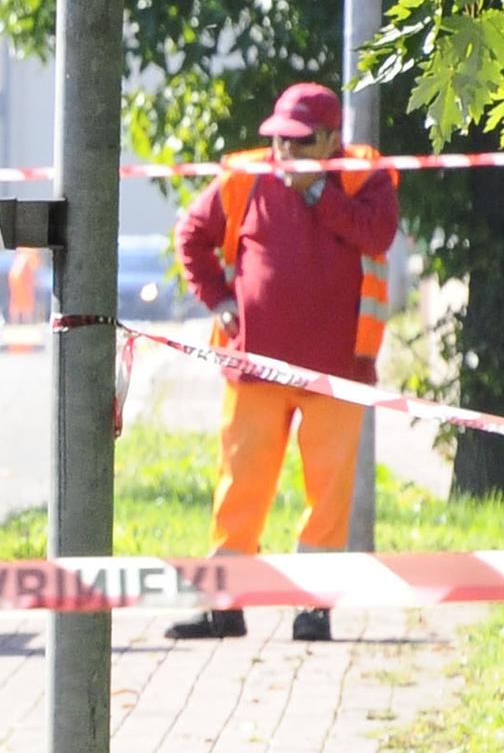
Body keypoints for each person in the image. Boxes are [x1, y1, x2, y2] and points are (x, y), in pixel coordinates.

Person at [166, 79, 396, 644]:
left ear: (330, 140)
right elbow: (191, 234)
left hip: (338, 372)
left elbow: (378, 234)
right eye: (279, 141)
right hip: (255, 368)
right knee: (239, 486)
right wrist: (220, 300)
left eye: (298, 143)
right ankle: (225, 606)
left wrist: (319, 193)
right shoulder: (246, 177)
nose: (284, 154)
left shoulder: (366, 178)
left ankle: (312, 608)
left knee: (328, 494)